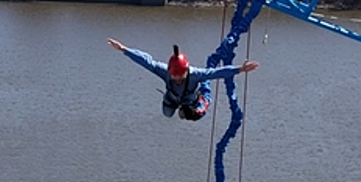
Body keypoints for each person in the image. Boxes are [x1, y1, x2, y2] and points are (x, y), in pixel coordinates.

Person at [106, 39, 259, 120]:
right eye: (174, 75)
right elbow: (146, 61)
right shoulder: (164, 71)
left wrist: (239, 69)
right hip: (172, 98)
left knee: (195, 115)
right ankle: (177, 108)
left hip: (190, 100)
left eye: (180, 75)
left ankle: (200, 100)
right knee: (167, 114)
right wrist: (125, 50)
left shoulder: (195, 74)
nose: (177, 79)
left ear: (186, 71)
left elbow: (216, 73)